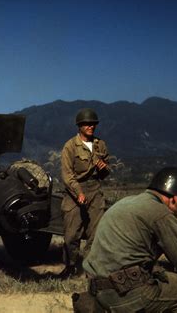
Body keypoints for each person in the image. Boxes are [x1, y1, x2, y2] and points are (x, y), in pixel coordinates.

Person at [83, 167, 177, 312]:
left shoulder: (125, 203)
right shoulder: (159, 211)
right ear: (176, 199)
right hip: (129, 296)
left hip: (99, 293)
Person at [60, 108, 110, 278]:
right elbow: (67, 175)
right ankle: (70, 267)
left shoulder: (100, 144)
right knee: (71, 235)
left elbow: (106, 172)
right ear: (79, 126)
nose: (91, 126)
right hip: (75, 192)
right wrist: (78, 193)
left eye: (93, 124)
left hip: (95, 190)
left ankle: (90, 269)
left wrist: (104, 168)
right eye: (87, 124)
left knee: (95, 234)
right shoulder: (70, 146)